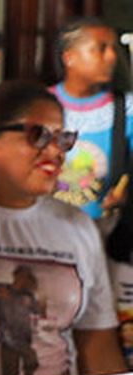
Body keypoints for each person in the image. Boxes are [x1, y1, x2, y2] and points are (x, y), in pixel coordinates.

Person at [0, 80, 126, 375]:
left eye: (63, 139)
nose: (55, 151)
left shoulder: (77, 227)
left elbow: (97, 344)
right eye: (37, 136)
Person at [50, 18, 133, 222]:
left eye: (113, 49)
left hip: (105, 231)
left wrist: (127, 195)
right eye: (101, 49)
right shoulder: (41, 105)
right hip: (46, 228)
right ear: (69, 58)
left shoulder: (126, 109)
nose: (112, 56)